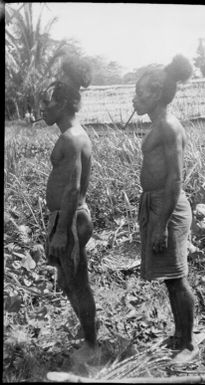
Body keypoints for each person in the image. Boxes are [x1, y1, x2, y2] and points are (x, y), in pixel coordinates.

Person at [133, 55, 198, 365]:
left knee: (177, 277)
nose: (136, 97)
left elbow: (175, 178)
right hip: (158, 204)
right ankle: (180, 334)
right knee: (171, 277)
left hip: (168, 207)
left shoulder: (169, 126)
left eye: (142, 91)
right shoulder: (159, 124)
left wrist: (160, 223)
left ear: (157, 93)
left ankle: (188, 344)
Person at [41, 55, 99, 359]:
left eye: (46, 104)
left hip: (71, 219)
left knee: (78, 283)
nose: (41, 110)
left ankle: (92, 345)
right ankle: (87, 325)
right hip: (65, 217)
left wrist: (62, 231)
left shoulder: (72, 138)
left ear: (62, 104)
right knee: (69, 281)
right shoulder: (70, 135)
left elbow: (74, 188)